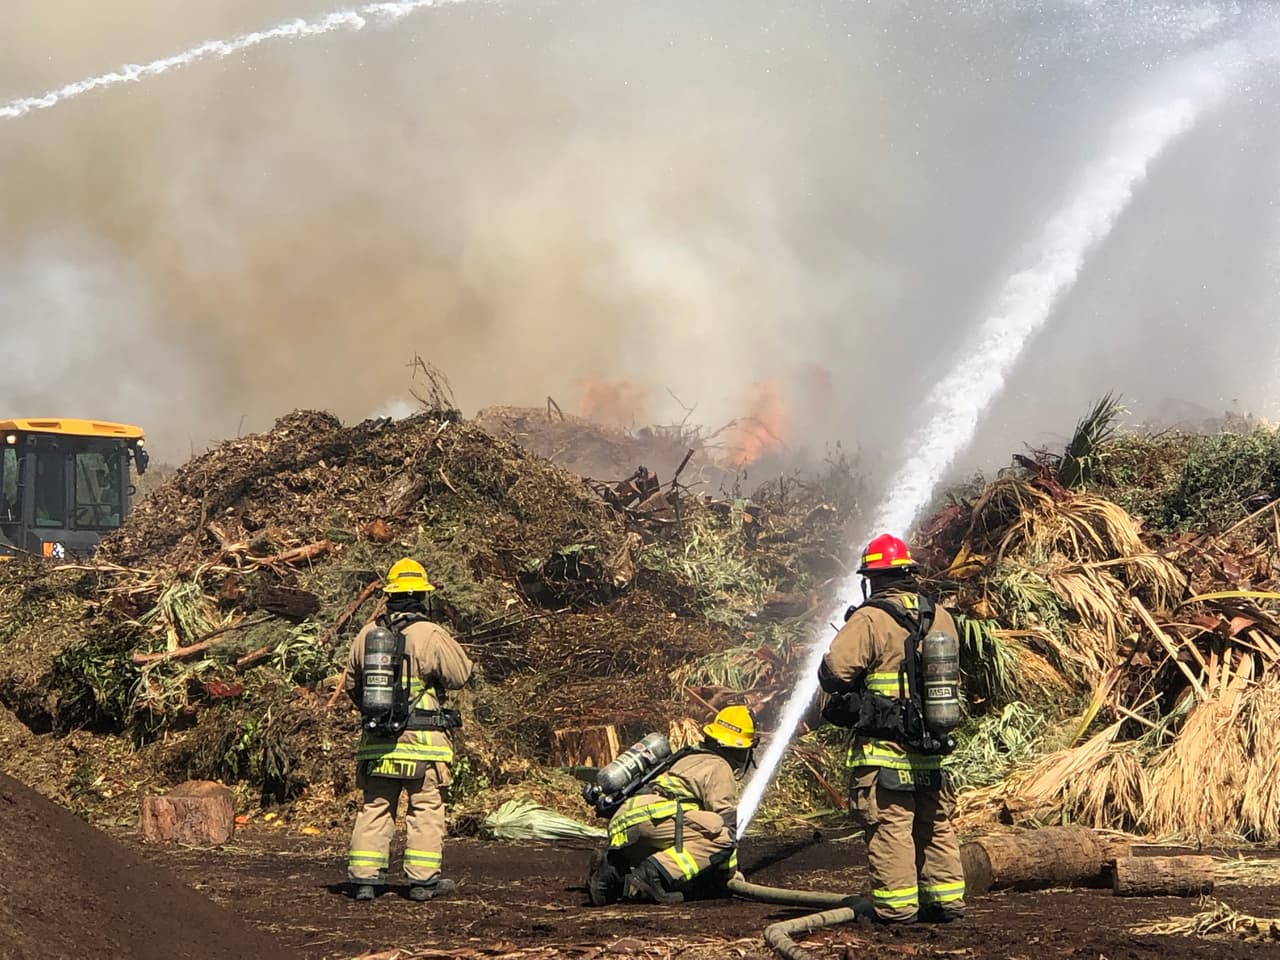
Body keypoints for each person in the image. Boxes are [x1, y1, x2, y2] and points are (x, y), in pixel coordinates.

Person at [817, 534, 966, 924]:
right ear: (909, 574)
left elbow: (835, 674)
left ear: (872, 579)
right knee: (934, 824)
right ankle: (946, 900)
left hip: (885, 750)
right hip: (932, 747)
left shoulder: (872, 617)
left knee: (891, 827)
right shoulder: (940, 616)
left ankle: (898, 908)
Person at [344, 558, 473, 902]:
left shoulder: (367, 635)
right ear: (421, 596)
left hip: (377, 743)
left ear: (389, 596)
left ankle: (365, 880)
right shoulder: (429, 633)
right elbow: (460, 675)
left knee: (376, 806)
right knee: (425, 809)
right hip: (423, 743)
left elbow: (352, 686)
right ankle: (422, 881)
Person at [587, 705, 756, 906]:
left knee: (680, 856)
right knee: (722, 837)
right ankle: (650, 876)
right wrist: (726, 876)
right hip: (652, 821)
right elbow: (728, 826)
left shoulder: (683, 758)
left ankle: (612, 874)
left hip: (625, 822)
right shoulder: (719, 766)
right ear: (738, 749)